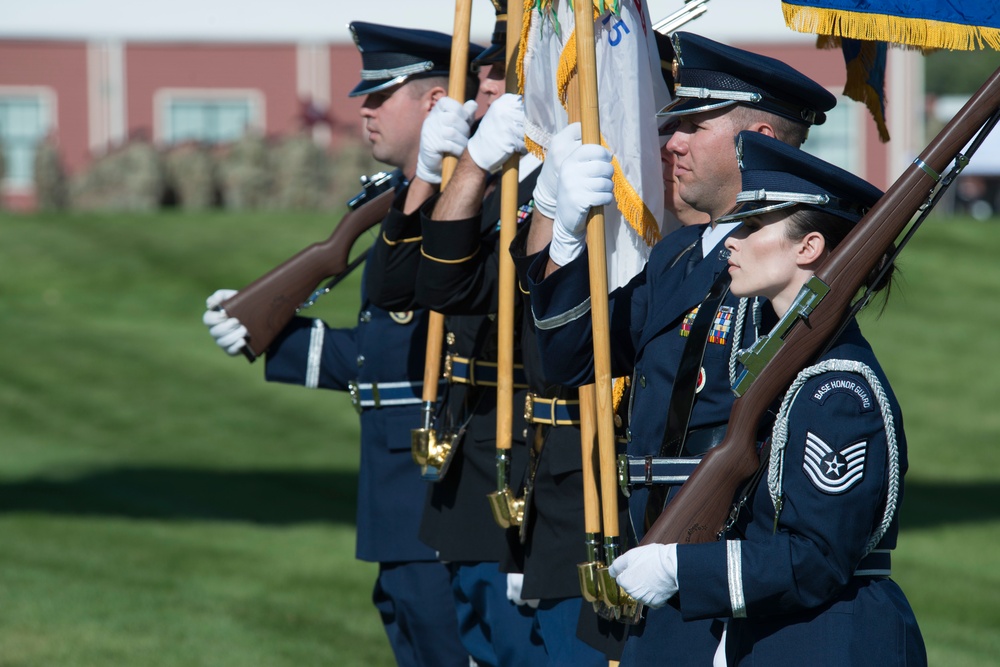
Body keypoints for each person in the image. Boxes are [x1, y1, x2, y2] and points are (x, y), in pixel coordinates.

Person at [521, 31, 837, 665]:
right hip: (645, 550)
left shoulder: (795, 263)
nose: (671, 142)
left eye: (695, 124)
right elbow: (563, 361)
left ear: (760, 143)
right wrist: (560, 236)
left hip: (717, 562)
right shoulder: (676, 255)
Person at [202, 22, 480, 667]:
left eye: (384, 95)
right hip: (392, 491)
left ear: (437, 101)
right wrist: (275, 335)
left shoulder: (468, 208)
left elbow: (442, 345)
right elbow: (388, 346)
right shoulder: (391, 200)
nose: (366, 109)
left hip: (440, 484)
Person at [610, 130, 927, 666]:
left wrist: (679, 569)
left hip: (832, 641)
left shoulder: (837, 389)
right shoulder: (781, 367)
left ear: (809, 247)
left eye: (755, 225)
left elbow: (816, 558)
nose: (731, 239)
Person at [366, 5, 553, 665]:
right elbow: (393, 286)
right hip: (469, 440)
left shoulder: (553, 179)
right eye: (486, 76)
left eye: (506, 75)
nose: (489, 89)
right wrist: (429, 171)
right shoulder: (482, 166)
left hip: (532, 439)